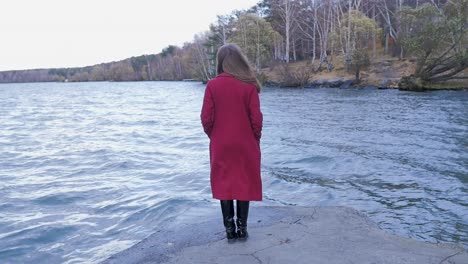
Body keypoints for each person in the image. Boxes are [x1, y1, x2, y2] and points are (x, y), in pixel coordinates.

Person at [200, 43, 263, 243]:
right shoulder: (249, 85)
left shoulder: (212, 85)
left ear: (221, 62)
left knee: (224, 182)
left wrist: (215, 136)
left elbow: (206, 118)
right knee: (243, 181)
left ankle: (229, 230)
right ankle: (243, 229)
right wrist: (255, 138)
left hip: (221, 143)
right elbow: (257, 119)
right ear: (239, 61)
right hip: (245, 143)